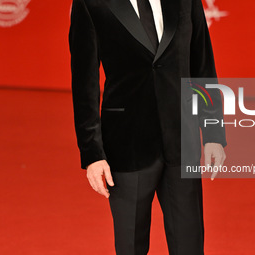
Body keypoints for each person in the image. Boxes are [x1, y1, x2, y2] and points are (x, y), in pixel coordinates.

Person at [68, 0, 227, 254]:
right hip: (126, 145)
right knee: (131, 246)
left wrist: (213, 132)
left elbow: (202, 64)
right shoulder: (91, 3)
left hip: (181, 141)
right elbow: (84, 82)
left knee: (190, 244)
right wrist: (92, 154)